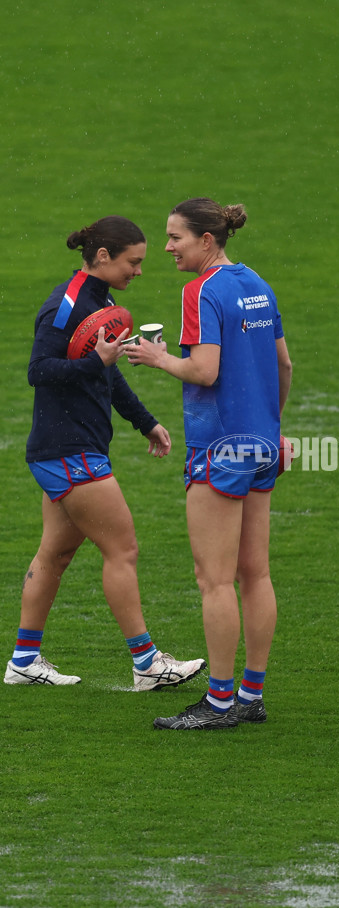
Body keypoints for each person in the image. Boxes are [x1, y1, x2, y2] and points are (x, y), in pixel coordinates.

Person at [4, 216, 206, 689]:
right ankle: (147, 664)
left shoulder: (102, 302)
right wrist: (96, 360)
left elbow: (107, 374)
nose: (139, 270)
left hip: (68, 448)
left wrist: (145, 421)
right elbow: (39, 370)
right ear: (102, 257)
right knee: (123, 549)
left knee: (55, 554)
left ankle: (23, 662)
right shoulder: (67, 305)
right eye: (132, 262)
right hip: (69, 450)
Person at [125, 198, 293, 728]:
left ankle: (219, 702)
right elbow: (285, 364)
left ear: (205, 240)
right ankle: (251, 695)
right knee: (255, 574)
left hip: (218, 448)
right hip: (261, 444)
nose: (167, 247)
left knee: (214, 580)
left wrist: (158, 358)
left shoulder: (200, 290)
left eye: (175, 237)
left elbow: (204, 371)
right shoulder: (257, 284)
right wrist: (271, 427)